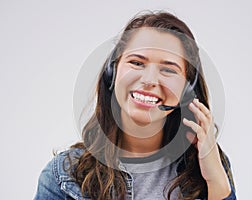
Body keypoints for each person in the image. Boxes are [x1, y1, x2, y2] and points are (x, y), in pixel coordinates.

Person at [34, 11, 236, 200]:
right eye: (137, 63)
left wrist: (215, 180)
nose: (149, 80)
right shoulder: (63, 176)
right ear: (112, 73)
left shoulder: (209, 165)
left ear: (186, 90)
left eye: (168, 69)